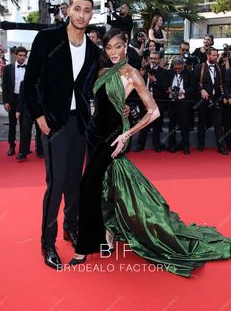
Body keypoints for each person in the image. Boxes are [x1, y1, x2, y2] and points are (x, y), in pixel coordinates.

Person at [69, 28, 231, 278]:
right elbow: (99, 103)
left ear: (127, 47)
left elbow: (153, 112)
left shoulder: (133, 74)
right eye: (109, 47)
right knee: (106, 186)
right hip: (94, 136)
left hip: (113, 137)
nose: (113, 52)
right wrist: (117, 110)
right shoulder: (102, 71)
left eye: (118, 46)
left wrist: (127, 134)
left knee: (87, 187)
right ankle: (108, 236)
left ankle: (83, 248)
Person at [24, 0, 100, 269]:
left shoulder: (93, 51)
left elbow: (94, 89)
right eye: (77, 9)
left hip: (80, 124)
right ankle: (47, 243)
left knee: (73, 183)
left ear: (92, 15)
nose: (81, 15)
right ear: (68, 10)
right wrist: (40, 118)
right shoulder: (47, 39)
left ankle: (71, 228)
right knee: (55, 185)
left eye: (87, 11)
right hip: (54, 123)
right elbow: (31, 82)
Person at [194, 47, 228, 155]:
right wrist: (201, 90)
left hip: (217, 99)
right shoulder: (200, 67)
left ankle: (221, 147)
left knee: (218, 123)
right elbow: (194, 82)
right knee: (202, 123)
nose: (215, 57)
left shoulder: (219, 68)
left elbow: (224, 83)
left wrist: (223, 96)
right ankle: (200, 144)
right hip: (204, 100)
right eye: (213, 55)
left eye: (216, 55)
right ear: (208, 56)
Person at [2, 46, 27, 156]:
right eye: (20, 55)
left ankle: (23, 148)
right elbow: (5, 86)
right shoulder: (8, 68)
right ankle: (12, 146)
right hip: (13, 100)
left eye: (24, 56)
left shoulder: (29, 68)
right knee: (12, 124)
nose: (22, 57)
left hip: (25, 101)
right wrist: (6, 102)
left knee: (24, 125)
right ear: (15, 55)